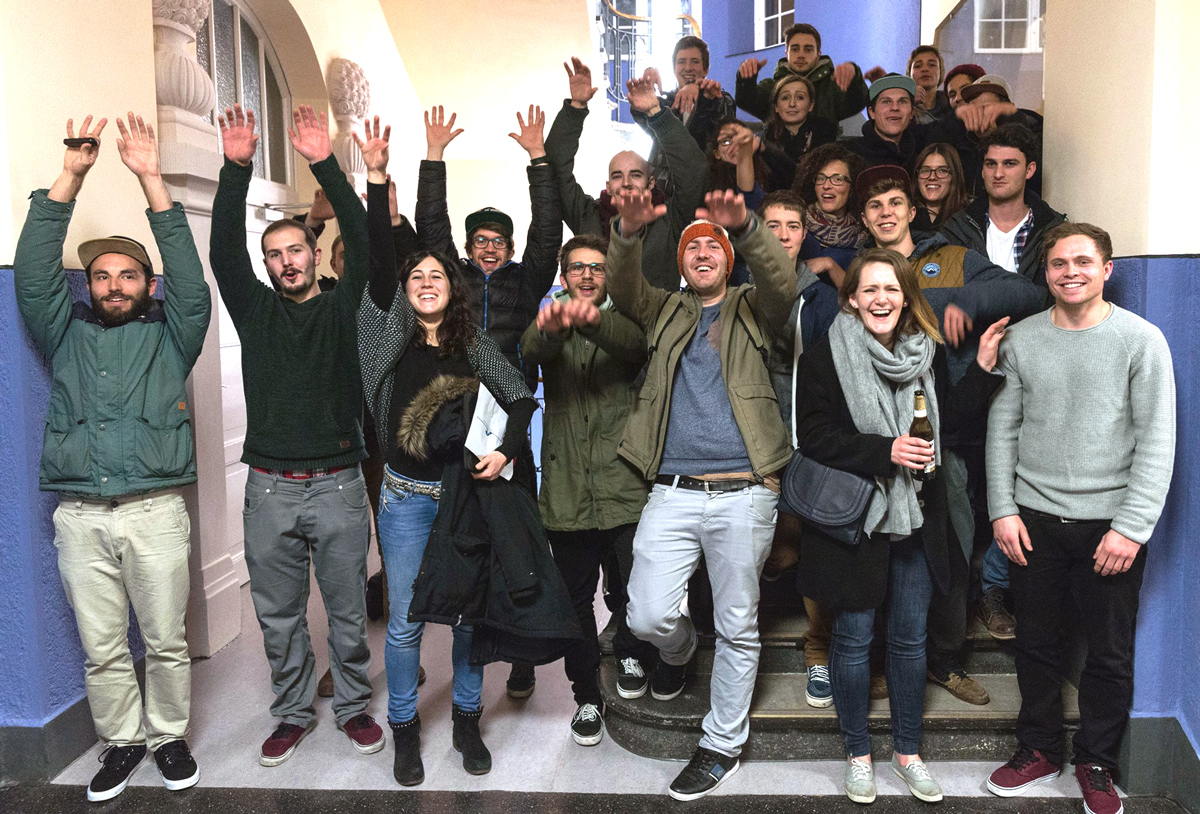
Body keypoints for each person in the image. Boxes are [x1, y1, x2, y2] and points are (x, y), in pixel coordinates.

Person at [13, 113, 211, 803]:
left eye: (129, 275)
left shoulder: (172, 338)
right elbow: (35, 276)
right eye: (102, 276)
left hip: (155, 512)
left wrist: (151, 180)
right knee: (102, 646)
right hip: (81, 517)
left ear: (146, 287)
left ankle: (169, 737)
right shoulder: (64, 337)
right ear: (90, 287)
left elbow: (191, 281)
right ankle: (123, 742)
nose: (116, 285)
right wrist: (71, 176)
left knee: (163, 640)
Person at [354, 118, 540, 785]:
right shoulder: (387, 340)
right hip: (404, 500)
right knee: (404, 624)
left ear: (452, 286)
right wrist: (378, 182)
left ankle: (466, 719)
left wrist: (508, 451)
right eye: (417, 277)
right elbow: (381, 258)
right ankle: (405, 729)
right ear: (406, 292)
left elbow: (521, 397)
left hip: (464, 499)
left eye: (438, 274)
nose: (427, 279)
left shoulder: (475, 344)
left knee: (467, 619)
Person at [795, 248, 1008, 804]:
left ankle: (908, 752)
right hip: (859, 520)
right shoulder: (824, 357)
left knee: (910, 641)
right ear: (852, 299)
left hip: (917, 518)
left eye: (892, 289)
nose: (881, 299)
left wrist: (982, 370)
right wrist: (884, 449)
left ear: (906, 298)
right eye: (870, 290)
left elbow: (949, 426)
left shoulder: (925, 353)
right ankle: (857, 753)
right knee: (853, 637)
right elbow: (813, 436)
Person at [608, 187, 796, 800]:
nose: (703, 253)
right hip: (672, 490)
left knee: (739, 625)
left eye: (713, 245)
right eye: (693, 247)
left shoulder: (752, 305)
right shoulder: (665, 310)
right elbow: (624, 288)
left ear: (729, 258)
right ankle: (682, 650)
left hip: (745, 490)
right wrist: (628, 235)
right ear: (683, 263)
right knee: (646, 614)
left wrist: (744, 229)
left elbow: (783, 287)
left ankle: (722, 744)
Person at [210, 104, 383, 766]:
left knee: (345, 613)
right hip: (270, 491)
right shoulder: (256, 313)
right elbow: (224, 250)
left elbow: (364, 241)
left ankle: (351, 709)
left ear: (315, 253)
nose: (286, 263)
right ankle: (290, 714)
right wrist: (236, 168)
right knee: (279, 616)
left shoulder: (344, 308)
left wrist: (324, 161)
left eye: (295, 251)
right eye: (274, 256)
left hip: (339, 486)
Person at [985, 223, 1176, 814]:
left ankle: (1097, 760)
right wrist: (1002, 509)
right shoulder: (1022, 340)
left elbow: (1157, 439)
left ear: (1107, 269)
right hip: (1034, 522)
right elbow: (1003, 429)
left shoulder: (1141, 340)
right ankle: (1039, 750)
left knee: (1108, 655)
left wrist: (1131, 527)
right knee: (1037, 644)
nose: (1070, 271)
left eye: (1083, 262)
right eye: (1058, 263)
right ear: (1045, 273)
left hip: (1110, 527)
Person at [415, 103, 562, 698]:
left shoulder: (526, 283)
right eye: (481, 241)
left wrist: (538, 160)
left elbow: (548, 230)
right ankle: (467, 630)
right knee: (466, 532)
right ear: (470, 248)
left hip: (512, 419)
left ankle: (522, 652)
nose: (491, 248)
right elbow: (430, 228)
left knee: (518, 533)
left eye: (499, 241)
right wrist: (433, 156)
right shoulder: (457, 279)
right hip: (457, 419)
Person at [519, 235, 659, 747]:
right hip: (566, 490)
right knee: (576, 599)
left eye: (597, 268)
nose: (586, 275)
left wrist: (590, 319)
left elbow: (632, 346)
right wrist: (553, 326)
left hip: (624, 486)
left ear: (607, 276)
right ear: (563, 274)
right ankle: (586, 698)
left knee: (631, 592)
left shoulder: (624, 319)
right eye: (577, 267)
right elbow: (531, 351)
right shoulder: (548, 319)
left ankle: (629, 652)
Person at [757, 191, 839, 707]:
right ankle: (740, 650)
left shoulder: (824, 298)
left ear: (803, 234)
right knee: (762, 549)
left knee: (811, 551)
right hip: (749, 445)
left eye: (793, 226)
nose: (784, 234)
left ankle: (818, 653)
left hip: (808, 443)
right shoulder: (734, 290)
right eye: (773, 225)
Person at [546, 61, 708, 290]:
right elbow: (556, 171)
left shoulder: (670, 219)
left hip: (655, 324)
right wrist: (575, 108)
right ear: (608, 186)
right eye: (617, 176)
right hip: (597, 323)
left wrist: (656, 114)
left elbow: (693, 169)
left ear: (651, 183)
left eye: (635, 175)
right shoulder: (587, 216)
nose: (626, 183)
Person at [941, 124, 1064, 287]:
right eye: (991, 164)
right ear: (983, 171)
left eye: (1009, 164)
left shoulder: (1054, 232)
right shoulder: (956, 230)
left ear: (1029, 170)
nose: (998, 174)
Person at [735, 23, 873, 126]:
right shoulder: (771, 87)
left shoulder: (832, 87)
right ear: (786, 53)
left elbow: (858, 102)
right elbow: (746, 101)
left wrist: (854, 77)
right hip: (777, 160)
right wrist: (746, 78)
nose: (801, 55)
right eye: (795, 49)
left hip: (823, 158)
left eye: (808, 49)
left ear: (818, 54)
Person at [637, 36, 737, 168]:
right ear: (674, 69)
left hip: (707, 184)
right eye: (681, 62)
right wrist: (644, 87)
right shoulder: (666, 105)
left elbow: (699, 144)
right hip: (663, 185)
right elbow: (642, 116)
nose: (688, 67)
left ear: (706, 69)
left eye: (695, 62)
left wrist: (701, 94)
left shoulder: (721, 100)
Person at [793, 143, 867, 284]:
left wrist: (830, 265)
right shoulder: (795, 224)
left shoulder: (864, 240)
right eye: (820, 178)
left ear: (852, 188)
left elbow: (861, 296)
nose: (826, 186)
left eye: (837, 179)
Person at [760, 74, 838, 179]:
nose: (792, 104)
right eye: (785, 98)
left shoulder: (829, 139)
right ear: (776, 107)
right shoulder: (762, 142)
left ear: (811, 105)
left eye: (800, 97)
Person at [911, 142, 970, 231]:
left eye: (942, 171)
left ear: (954, 176)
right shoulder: (903, 216)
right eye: (925, 170)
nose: (932, 177)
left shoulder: (969, 218)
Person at [907, 45, 951, 122]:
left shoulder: (951, 105)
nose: (925, 69)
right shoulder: (899, 107)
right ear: (909, 73)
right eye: (918, 66)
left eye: (932, 65)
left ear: (941, 71)